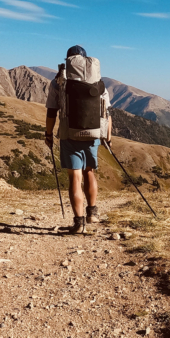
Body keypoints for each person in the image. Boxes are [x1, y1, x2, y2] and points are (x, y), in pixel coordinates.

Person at [44, 45, 112, 234]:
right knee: (89, 172)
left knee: (75, 176)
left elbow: (51, 111)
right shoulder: (98, 82)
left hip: (69, 133)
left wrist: (48, 134)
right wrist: (108, 137)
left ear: (68, 61)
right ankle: (93, 213)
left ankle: (79, 223)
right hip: (94, 134)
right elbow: (106, 112)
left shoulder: (58, 82)